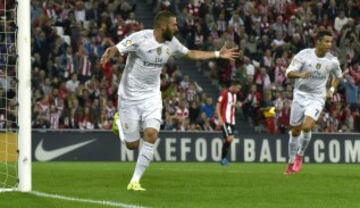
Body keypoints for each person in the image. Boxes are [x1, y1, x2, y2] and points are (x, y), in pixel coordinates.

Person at [100, 11, 239, 191]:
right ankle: (119, 123)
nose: (177, 27)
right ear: (162, 26)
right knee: (132, 145)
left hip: (151, 96)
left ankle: (135, 181)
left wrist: (218, 54)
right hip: (129, 97)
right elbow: (117, 49)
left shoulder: (172, 43)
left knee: (151, 134)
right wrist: (107, 55)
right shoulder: (140, 38)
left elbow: (191, 54)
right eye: (173, 24)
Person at [284, 30, 343, 175]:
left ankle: (300, 155)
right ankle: (291, 161)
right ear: (318, 42)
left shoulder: (332, 61)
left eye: (331, 42)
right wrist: (301, 74)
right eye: (326, 41)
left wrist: (331, 89)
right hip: (299, 95)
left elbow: (338, 76)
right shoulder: (303, 55)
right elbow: (288, 73)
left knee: (307, 126)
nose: (329, 44)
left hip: (317, 97)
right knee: (295, 130)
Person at [216, 80, 241, 165]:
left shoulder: (235, 95)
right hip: (225, 120)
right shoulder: (225, 93)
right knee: (229, 139)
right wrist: (219, 118)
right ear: (233, 86)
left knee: (229, 140)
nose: (238, 90)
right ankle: (223, 159)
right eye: (238, 88)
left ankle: (223, 159)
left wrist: (236, 105)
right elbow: (218, 106)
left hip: (232, 121)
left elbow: (231, 106)